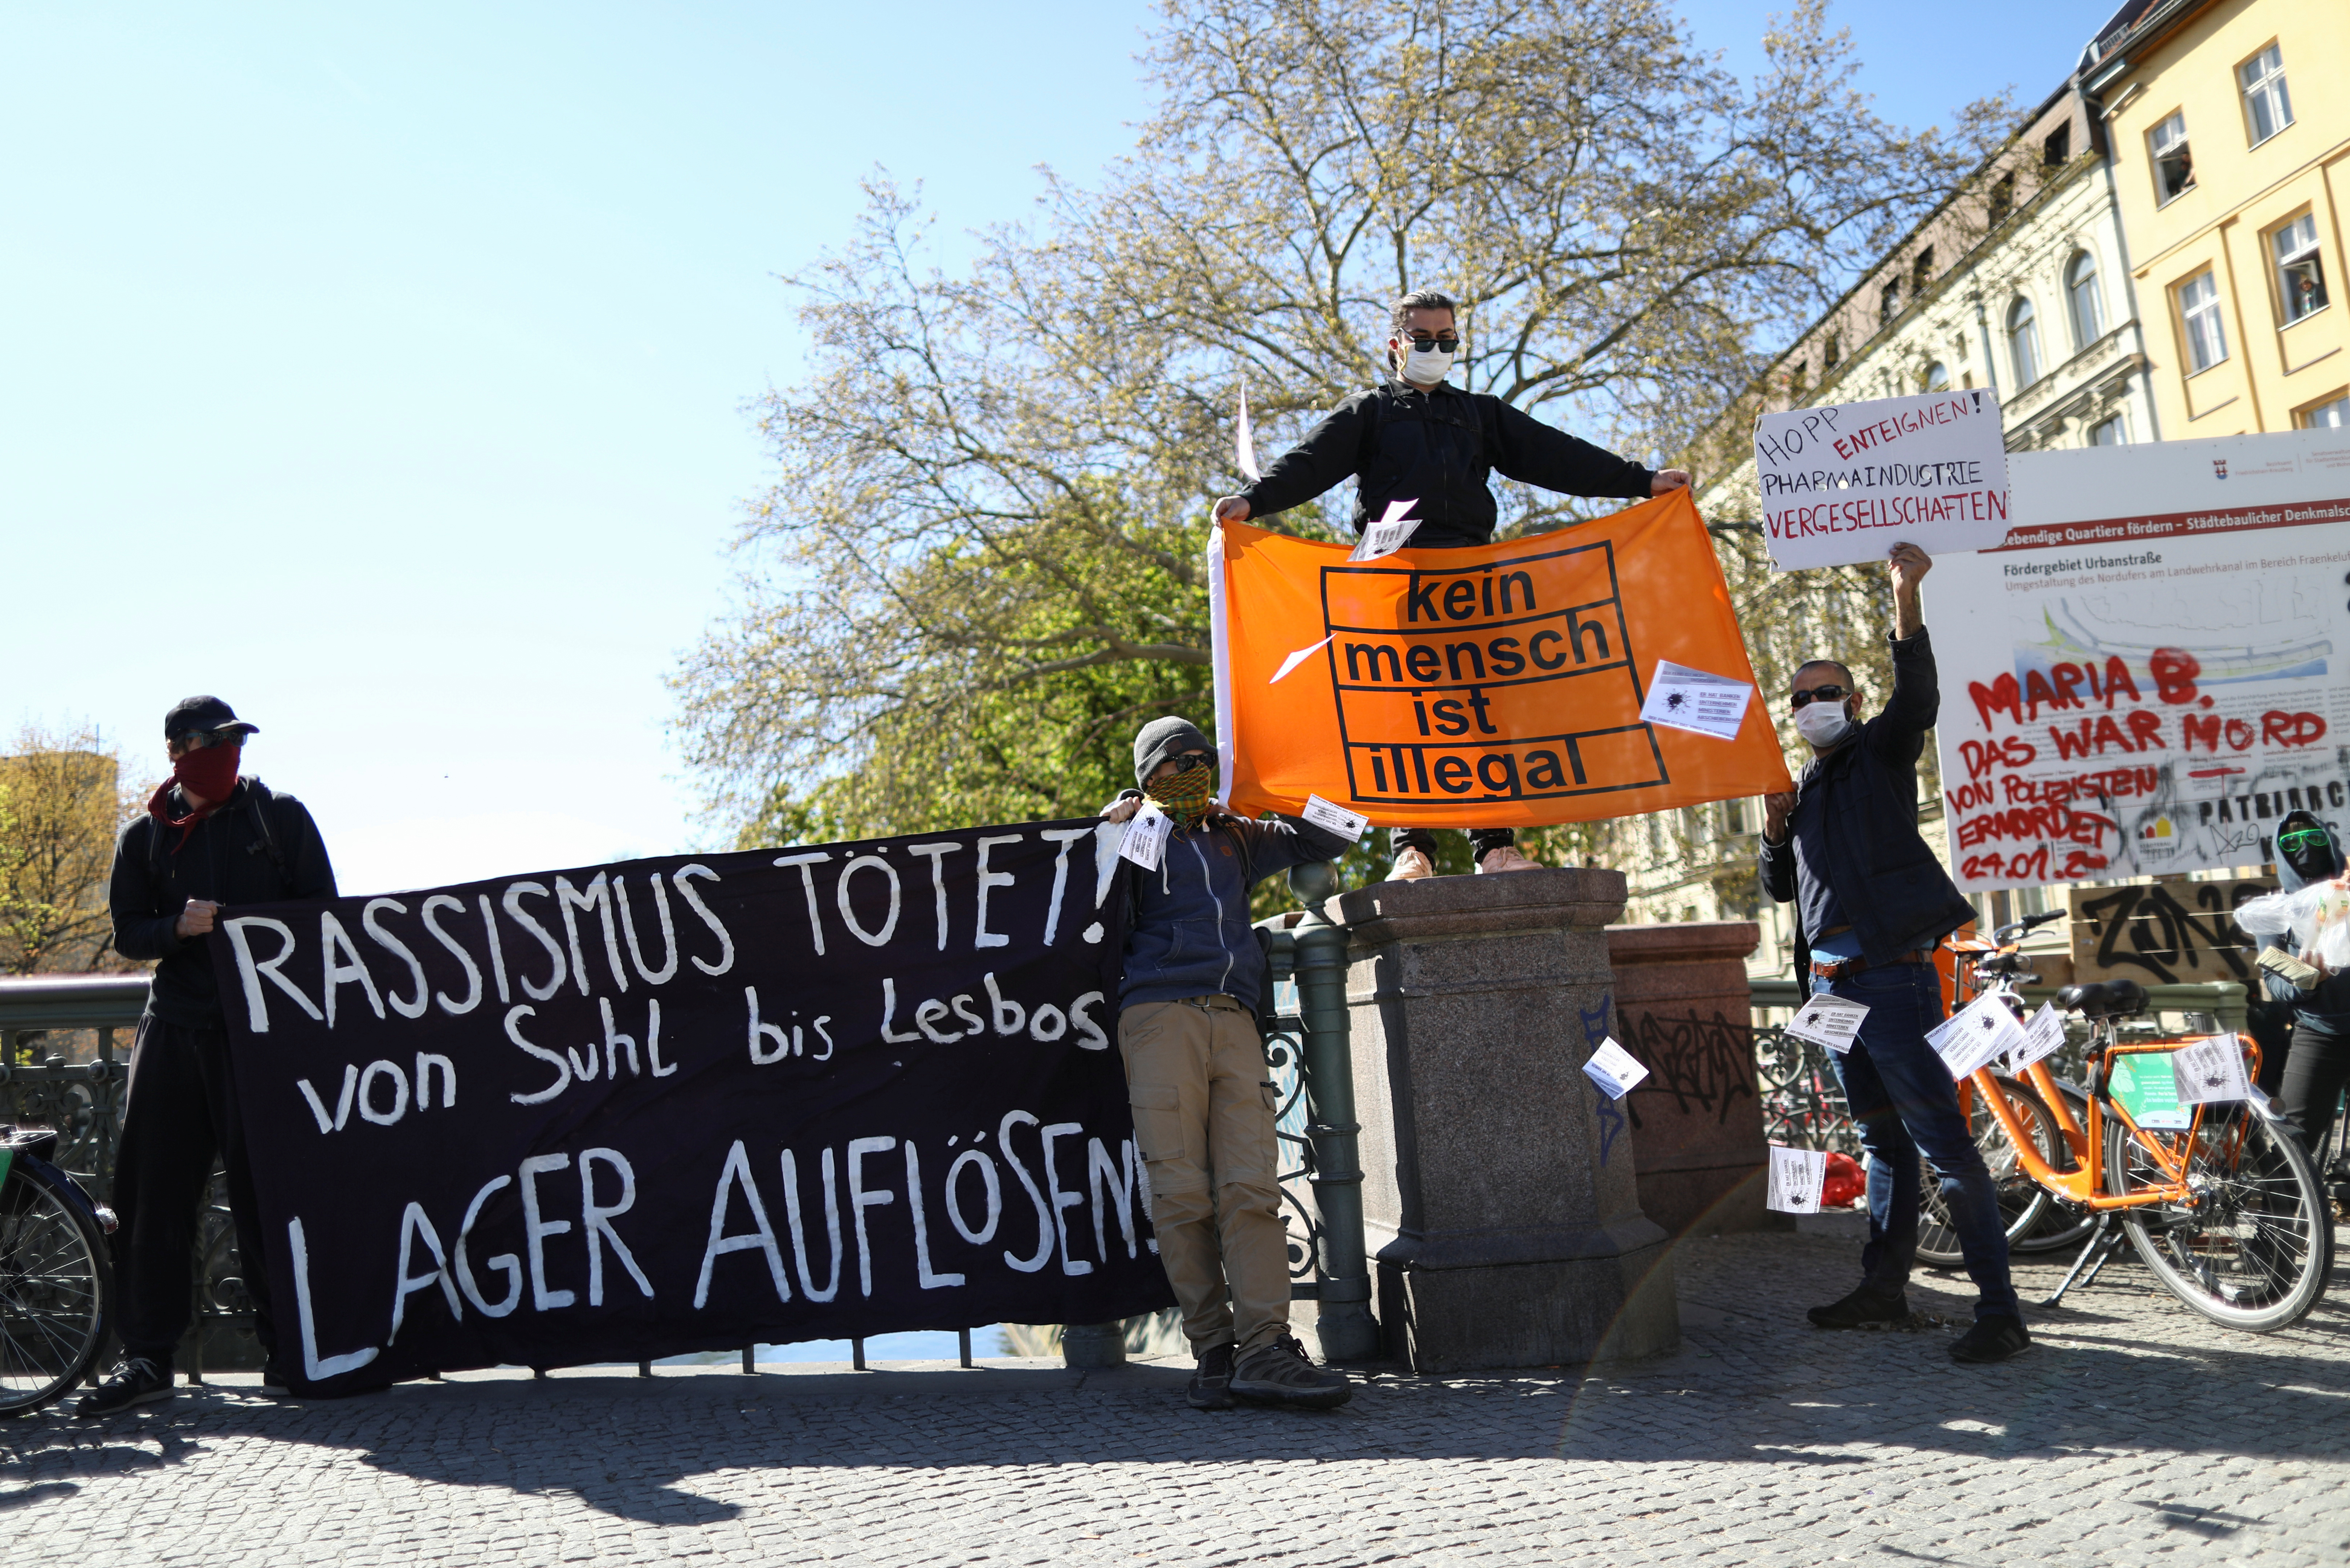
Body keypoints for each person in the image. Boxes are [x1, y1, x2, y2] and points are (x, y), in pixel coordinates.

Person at [1213, 287, 1691, 882]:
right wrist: (1253, 502)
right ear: (1394, 345)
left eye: (1447, 340)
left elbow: (1555, 456)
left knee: (1479, 710)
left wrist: (1641, 482)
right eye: (1422, 340)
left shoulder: (1479, 414)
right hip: (1392, 582)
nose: (1435, 350)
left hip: (1469, 585)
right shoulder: (1370, 412)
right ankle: (1411, 850)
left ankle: (1494, 846)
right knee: (1401, 712)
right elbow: (1310, 462)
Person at [1757, 544, 2031, 1365]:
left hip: (1891, 980)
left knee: (1942, 1144)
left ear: (1852, 699)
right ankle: (1882, 1289)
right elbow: (1782, 889)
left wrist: (1904, 598)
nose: (1811, 704)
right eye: (1800, 697)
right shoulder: (1799, 794)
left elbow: (1919, 695)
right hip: (1832, 991)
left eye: (1825, 692)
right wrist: (1772, 828)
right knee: (1880, 1142)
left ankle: (1998, 1309)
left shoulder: (1877, 755)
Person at [80, 697, 338, 1417]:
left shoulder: (279, 820)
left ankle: (292, 1355)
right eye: (211, 745)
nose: (227, 758)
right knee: (152, 1200)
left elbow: (326, 914)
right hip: (174, 1030)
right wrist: (179, 927)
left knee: (270, 1195)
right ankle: (148, 1359)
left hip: (259, 1039)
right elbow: (130, 932)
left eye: (233, 744)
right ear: (176, 755)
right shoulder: (145, 839)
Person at [1101, 717, 1357, 1410]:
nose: (1191, 771)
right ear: (1148, 775)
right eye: (1174, 763)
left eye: (1201, 760)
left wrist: (1267, 786)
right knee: (1180, 1193)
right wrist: (1110, 830)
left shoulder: (1235, 835)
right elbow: (1082, 902)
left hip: (1235, 1019)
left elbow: (1338, 829)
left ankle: (1266, 1350)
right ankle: (1212, 1349)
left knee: (1250, 1188)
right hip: (1157, 1021)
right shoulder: (1132, 836)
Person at [2256, 807, 2350, 1195]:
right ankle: (2271, 1253)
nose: (2306, 851)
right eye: (2292, 844)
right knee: (2290, 1148)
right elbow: (2274, 984)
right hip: (2320, 1032)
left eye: (2314, 839)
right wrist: (2310, 978)